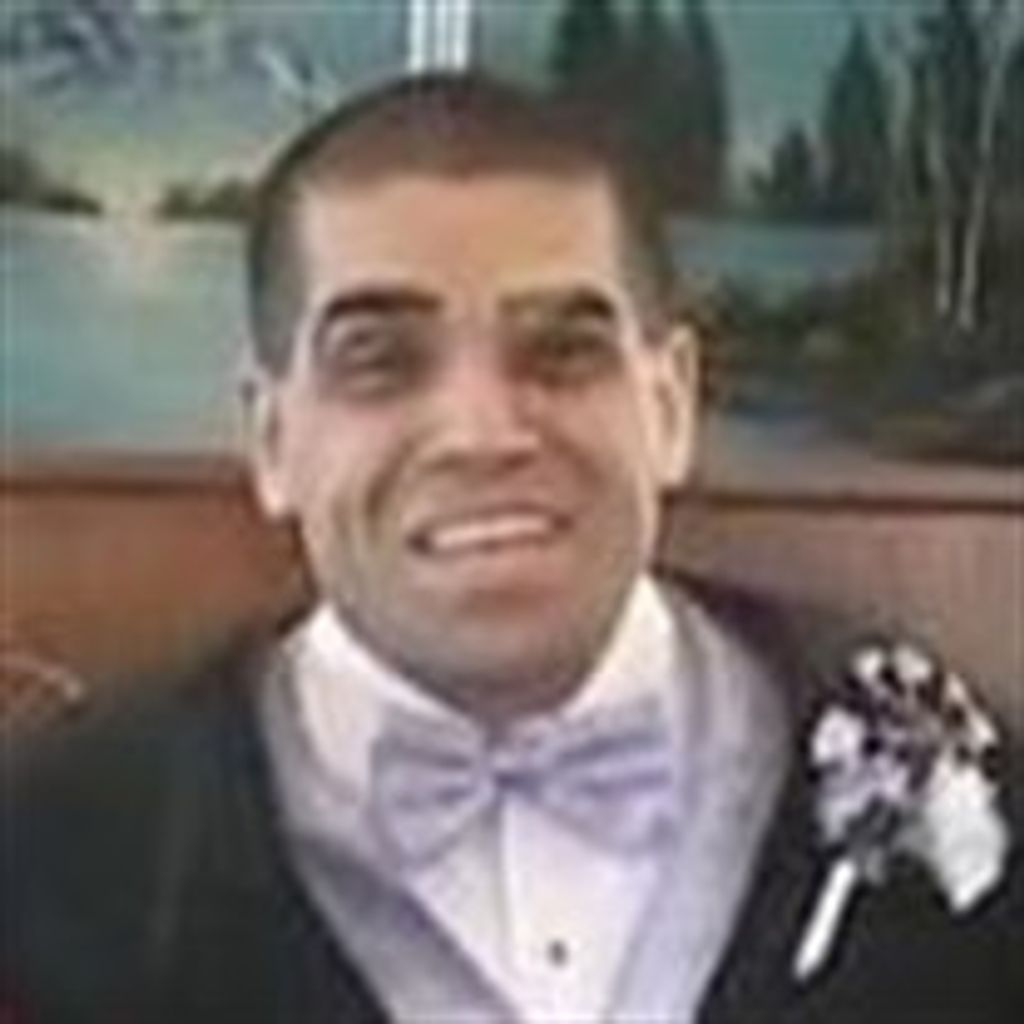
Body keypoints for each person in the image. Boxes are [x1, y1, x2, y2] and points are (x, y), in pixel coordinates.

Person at [4, 73, 1020, 1024]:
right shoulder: (56, 842)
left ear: (669, 405)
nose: (483, 434)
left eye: (563, 352)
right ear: (273, 440)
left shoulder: (961, 779)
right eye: (381, 361)